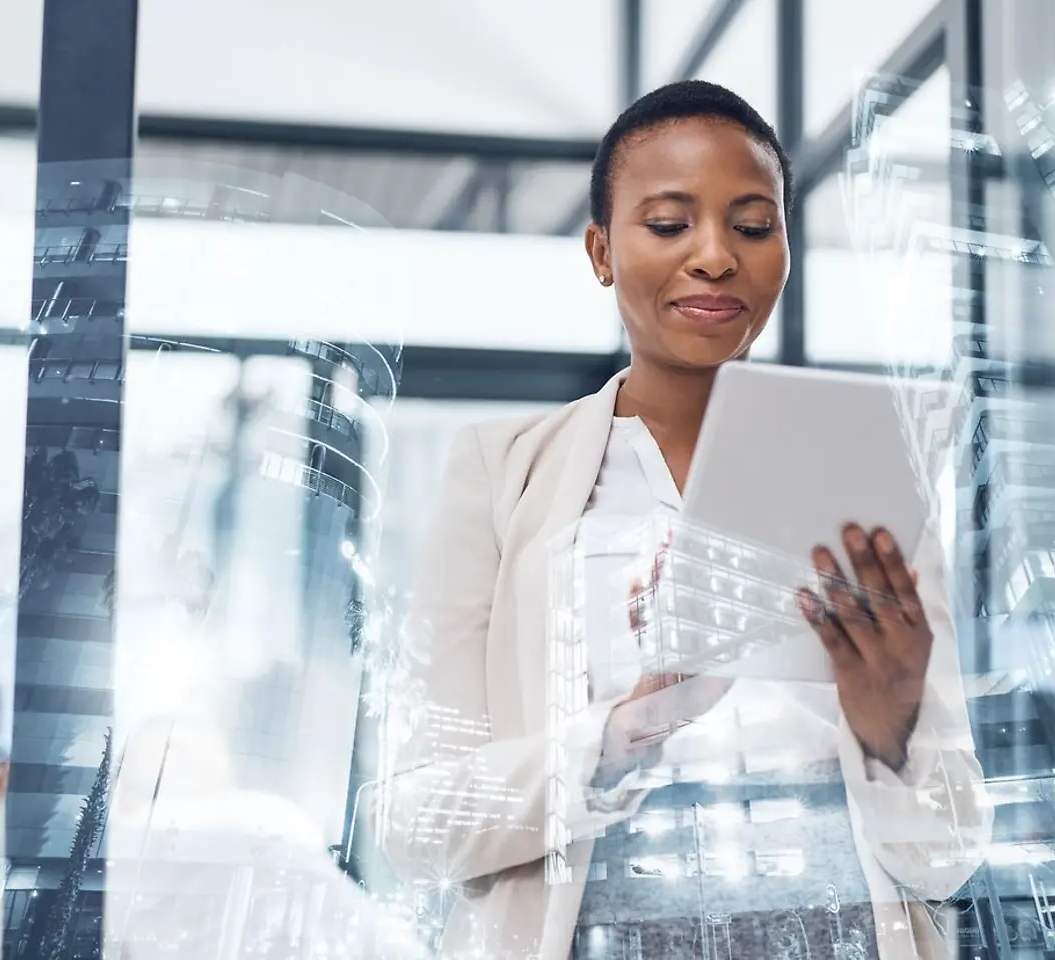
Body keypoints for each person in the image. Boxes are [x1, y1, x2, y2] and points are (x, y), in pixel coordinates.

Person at [379, 79, 991, 959]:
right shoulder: (501, 473)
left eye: (752, 226)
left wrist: (892, 733)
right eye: (668, 224)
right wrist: (617, 738)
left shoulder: (867, 483)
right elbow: (416, 824)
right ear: (600, 250)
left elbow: (948, 857)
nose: (714, 256)